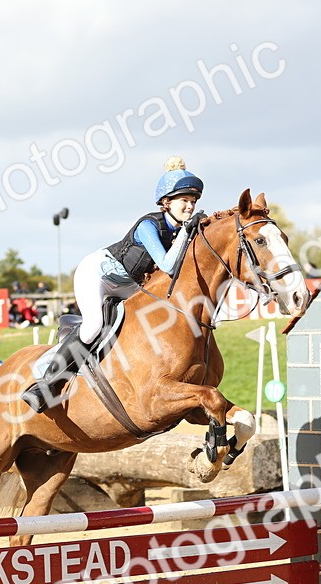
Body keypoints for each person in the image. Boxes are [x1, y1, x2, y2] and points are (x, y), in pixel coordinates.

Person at [21, 156, 204, 413]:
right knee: (93, 326)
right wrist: (186, 232)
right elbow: (168, 265)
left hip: (128, 284)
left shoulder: (180, 230)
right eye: (184, 200)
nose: (190, 206)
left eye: (193, 201)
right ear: (166, 202)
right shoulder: (149, 225)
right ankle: (46, 384)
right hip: (97, 274)